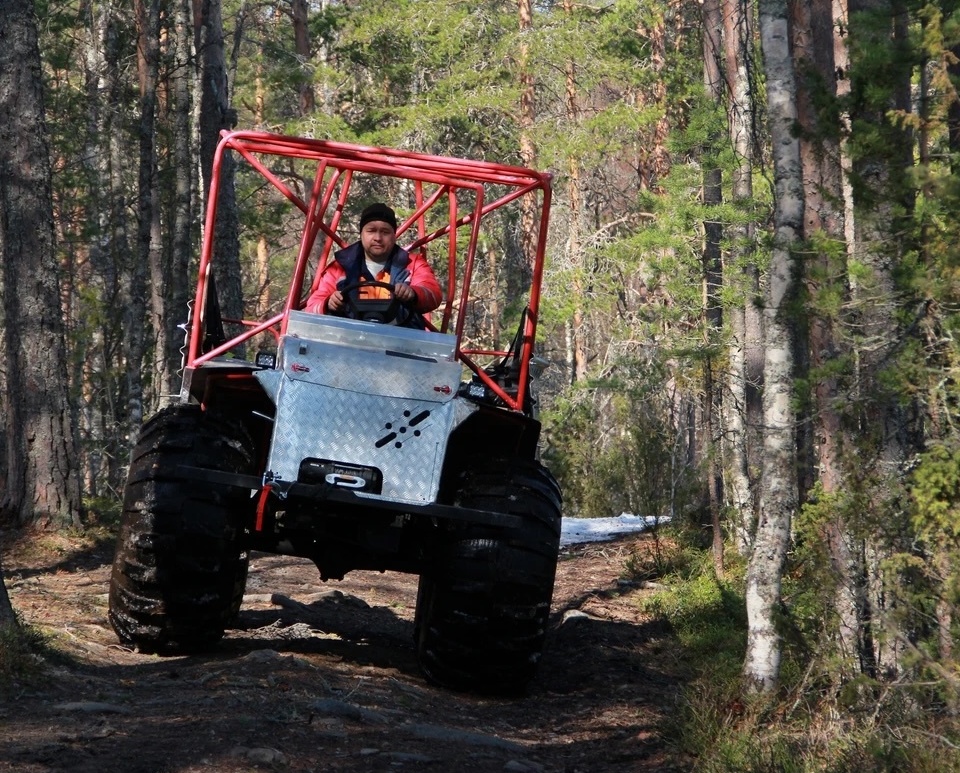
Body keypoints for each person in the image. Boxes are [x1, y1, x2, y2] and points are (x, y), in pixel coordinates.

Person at [306, 203, 442, 328]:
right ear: (361, 234)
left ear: (394, 236)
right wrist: (328, 303)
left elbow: (433, 294)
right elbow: (312, 308)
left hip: (400, 343)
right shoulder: (340, 267)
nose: (378, 237)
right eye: (371, 231)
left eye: (385, 232)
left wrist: (414, 293)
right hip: (349, 341)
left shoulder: (412, 264)